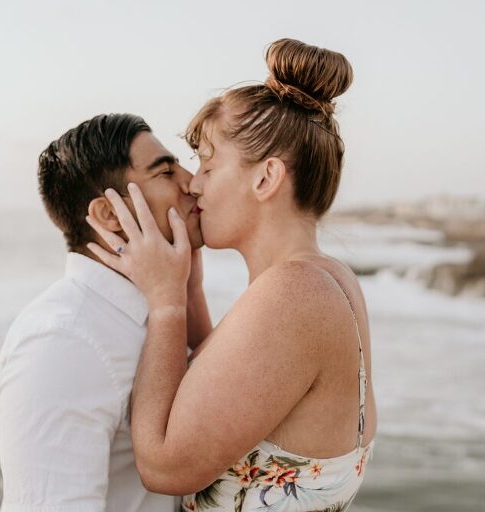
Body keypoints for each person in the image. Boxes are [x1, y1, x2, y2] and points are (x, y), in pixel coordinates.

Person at [86, 39, 377, 511]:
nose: (194, 183)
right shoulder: (326, 277)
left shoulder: (294, 294)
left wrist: (165, 303)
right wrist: (190, 288)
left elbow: (163, 467)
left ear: (265, 179)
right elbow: (227, 391)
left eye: (207, 162)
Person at [0, 113, 210, 512]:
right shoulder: (63, 342)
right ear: (110, 215)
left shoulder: (150, 312)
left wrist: (187, 292)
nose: (191, 182)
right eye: (165, 172)